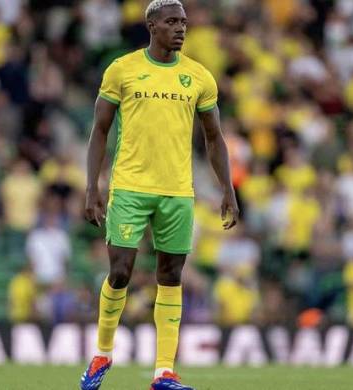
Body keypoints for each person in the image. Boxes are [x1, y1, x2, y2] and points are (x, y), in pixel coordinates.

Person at [79, 1, 239, 389]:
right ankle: (102, 353)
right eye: (171, 22)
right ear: (152, 26)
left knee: (171, 275)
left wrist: (228, 190)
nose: (181, 29)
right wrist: (92, 187)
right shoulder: (122, 70)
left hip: (177, 192)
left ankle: (163, 371)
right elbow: (100, 130)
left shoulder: (198, 76)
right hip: (131, 188)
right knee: (120, 272)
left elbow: (214, 138)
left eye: (184, 22)